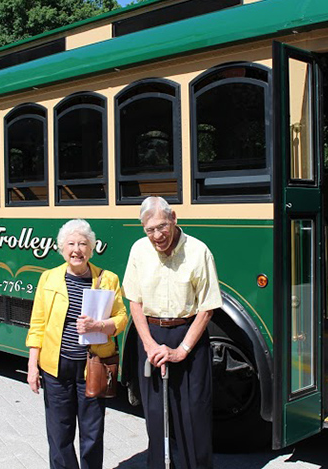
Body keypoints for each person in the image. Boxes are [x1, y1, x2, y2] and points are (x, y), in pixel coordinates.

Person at [123, 196, 222, 469]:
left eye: (162, 226)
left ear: (174, 218)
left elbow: (207, 308)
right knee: (155, 418)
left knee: (194, 418)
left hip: (188, 338)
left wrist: (182, 351)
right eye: (150, 230)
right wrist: (149, 345)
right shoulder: (139, 251)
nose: (157, 235)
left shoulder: (199, 251)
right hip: (152, 338)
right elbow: (135, 302)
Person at [25, 219, 127, 469]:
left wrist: (99, 326)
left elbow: (122, 317)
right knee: (59, 434)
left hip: (92, 367)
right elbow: (37, 324)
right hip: (55, 368)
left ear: (91, 249)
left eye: (83, 243)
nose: (76, 249)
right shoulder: (48, 279)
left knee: (92, 434)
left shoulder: (107, 279)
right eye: (70, 243)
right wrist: (32, 365)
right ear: (61, 248)